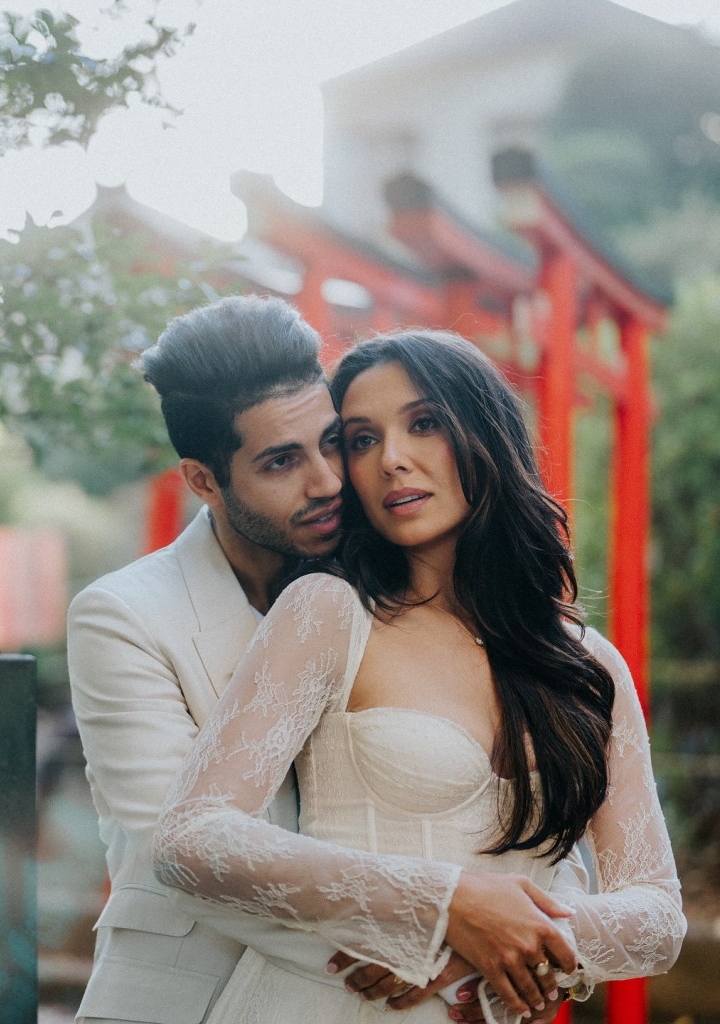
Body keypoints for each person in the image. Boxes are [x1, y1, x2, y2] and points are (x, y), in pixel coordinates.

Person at [152, 329, 687, 1024]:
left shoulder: (588, 667)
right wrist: (446, 902)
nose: (392, 461)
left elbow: (657, 920)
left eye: (424, 423)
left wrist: (500, 940)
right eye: (362, 440)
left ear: (485, 433)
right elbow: (191, 838)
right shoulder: (330, 613)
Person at [68, 297, 576, 1024]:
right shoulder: (125, 616)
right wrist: (442, 931)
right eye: (282, 462)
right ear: (204, 480)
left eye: (336, 442)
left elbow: (533, 817)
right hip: (187, 998)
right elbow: (173, 854)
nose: (331, 482)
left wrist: (529, 931)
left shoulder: (400, 591)